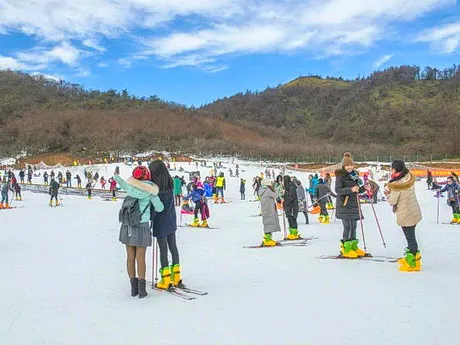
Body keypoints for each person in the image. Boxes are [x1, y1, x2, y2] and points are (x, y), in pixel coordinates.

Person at [115, 165, 164, 298]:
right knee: (140, 257)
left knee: (130, 257)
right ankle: (142, 290)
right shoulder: (151, 190)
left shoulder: (130, 188)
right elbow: (160, 208)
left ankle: (133, 289)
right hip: (141, 225)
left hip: (127, 225)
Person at [148, 160, 183, 289]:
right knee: (173, 247)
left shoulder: (155, 188)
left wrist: (150, 218)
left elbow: (156, 208)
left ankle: (166, 278)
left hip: (160, 222)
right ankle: (176, 276)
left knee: (163, 249)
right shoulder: (170, 183)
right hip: (171, 219)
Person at [384, 160, 422, 272]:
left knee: (410, 238)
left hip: (406, 213)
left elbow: (392, 201)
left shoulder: (397, 184)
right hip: (414, 210)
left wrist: (388, 194)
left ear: (394, 169)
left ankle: (412, 263)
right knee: (412, 236)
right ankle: (414, 259)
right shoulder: (408, 178)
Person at [335, 153, 366, 258]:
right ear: (344, 166)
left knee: (354, 226)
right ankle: (346, 248)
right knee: (347, 226)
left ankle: (353, 246)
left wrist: (364, 188)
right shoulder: (340, 176)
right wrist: (351, 189)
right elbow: (338, 190)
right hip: (344, 204)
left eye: (351, 165)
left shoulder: (355, 176)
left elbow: (357, 190)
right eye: (347, 166)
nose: (349, 167)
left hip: (354, 204)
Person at [259, 178, 281, 246]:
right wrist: (276, 188)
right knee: (270, 224)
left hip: (265, 209)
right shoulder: (268, 190)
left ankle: (268, 239)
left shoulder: (262, 190)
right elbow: (276, 195)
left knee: (267, 224)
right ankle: (268, 240)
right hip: (269, 209)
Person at [283, 175, 301, 240]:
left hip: (292, 206)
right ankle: (291, 233)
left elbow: (291, 197)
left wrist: (285, 202)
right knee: (289, 219)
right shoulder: (287, 187)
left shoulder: (291, 187)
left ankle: (294, 233)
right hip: (288, 206)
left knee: (293, 219)